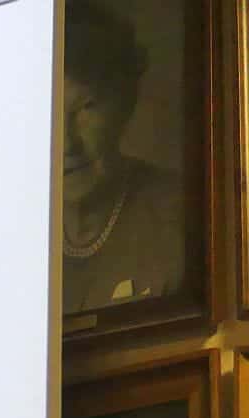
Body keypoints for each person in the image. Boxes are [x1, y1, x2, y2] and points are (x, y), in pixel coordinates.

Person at [62, 0, 185, 314]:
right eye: (47, 114)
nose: (66, 144)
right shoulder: (4, 230)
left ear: (124, 103)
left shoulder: (180, 216)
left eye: (86, 107)